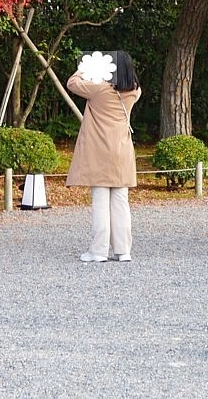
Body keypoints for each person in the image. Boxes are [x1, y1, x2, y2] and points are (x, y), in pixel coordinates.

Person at [66, 50, 141, 263]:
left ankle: (98, 251)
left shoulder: (98, 89)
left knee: (100, 200)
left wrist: (88, 67)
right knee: (120, 201)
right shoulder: (135, 91)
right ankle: (123, 250)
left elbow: (72, 83)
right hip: (122, 150)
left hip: (99, 149)